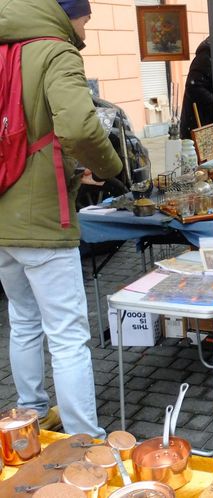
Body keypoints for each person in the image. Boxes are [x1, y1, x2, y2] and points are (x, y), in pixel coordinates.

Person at [0, 0, 123, 438]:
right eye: (86, 19)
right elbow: (80, 128)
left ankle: (29, 416)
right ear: (66, 14)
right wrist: (109, 168)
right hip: (43, 219)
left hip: (3, 214)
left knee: (23, 320)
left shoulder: (6, 46)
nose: (87, 30)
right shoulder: (56, 50)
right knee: (69, 336)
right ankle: (83, 438)